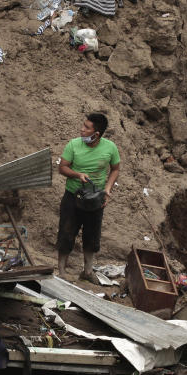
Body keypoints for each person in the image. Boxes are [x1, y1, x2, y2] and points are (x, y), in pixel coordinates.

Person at [57, 112, 121, 281]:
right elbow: (62, 168)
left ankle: (87, 272)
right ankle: (62, 271)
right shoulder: (73, 145)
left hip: (95, 198)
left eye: (86, 127)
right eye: (83, 125)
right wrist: (78, 175)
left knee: (92, 236)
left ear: (96, 134)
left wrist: (107, 189)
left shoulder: (110, 148)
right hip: (73, 196)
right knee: (66, 232)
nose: (82, 129)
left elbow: (115, 169)